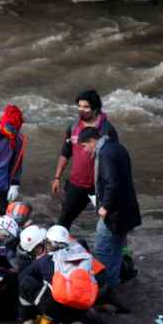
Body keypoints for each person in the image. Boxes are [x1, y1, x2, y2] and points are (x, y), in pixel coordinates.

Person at [77, 125, 140, 315]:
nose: (86, 151)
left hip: (114, 213)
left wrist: (104, 207)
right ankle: (111, 289)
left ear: (92, 141)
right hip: (127, 211)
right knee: (117, 250)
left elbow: (112, 183)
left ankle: (101, 295)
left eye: (85, 147)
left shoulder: (104, 154)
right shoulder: (117, 147)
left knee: (103, 251)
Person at [15, 225, 96, 324]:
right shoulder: (80, 248)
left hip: (58, 307)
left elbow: (22, 279)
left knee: (26, 284)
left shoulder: (46, 260)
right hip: (84, 305)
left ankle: (28, 323)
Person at [51, 89, 118, 230]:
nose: (81, 110)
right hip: (77, 184)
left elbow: (115, 158)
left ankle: (121, 250)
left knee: (111, 222)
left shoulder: (107, 130)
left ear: (95, 109)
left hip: (99, 186)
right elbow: (65, 152)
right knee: (63, 222)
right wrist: (57, 177)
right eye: (79, 106)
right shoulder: (73, 127)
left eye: (86, 107)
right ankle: (59, 248)